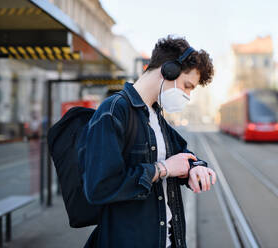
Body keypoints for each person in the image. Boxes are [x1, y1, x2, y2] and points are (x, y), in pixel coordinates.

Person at [77, 35, 217, 248]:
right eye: (187, 86)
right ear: (169, 70)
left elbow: (182, 155)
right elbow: (99, 188)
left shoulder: (155, 116)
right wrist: (161, 169)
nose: (188, 95)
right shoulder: (113, 111)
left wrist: (195, 167)